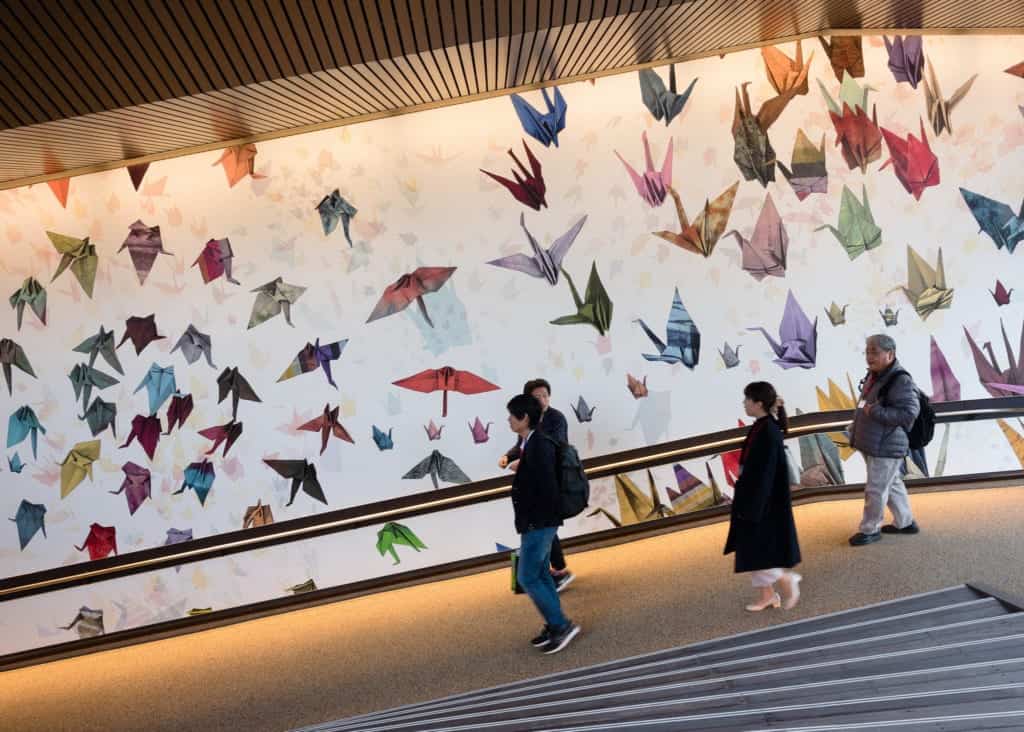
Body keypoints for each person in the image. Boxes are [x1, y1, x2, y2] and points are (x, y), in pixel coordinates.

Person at [507, 393, 580, 654]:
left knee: (527, 576)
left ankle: (561, 625)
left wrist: (537, 521)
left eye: (512, 415)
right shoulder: (530, 442)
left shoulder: (539, 444)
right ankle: (555, 622)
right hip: (537, 522)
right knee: (538, 574)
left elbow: (546, 486)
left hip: (539, 522)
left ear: (524, 417)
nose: (509, 420)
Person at [724, 382, 803, 611]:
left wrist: (755, 505)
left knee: (756, 549)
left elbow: (766, 472)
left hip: (761, 502)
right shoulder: (762, 426)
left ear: (758, 403)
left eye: (747, 399)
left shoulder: (768, 430)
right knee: (751, 549)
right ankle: (768, 595)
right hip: (755, 499)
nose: (744, 404)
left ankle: (785, 579)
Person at [499, 378, 575, 591]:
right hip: (533, 483)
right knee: (544, 527)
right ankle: (554, 571)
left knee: (545, 526)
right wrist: (508, 456)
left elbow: (552, 448)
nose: (542, 400)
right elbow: (521, 445)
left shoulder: (555, 419)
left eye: (545, 395)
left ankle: (558, 570)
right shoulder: (529, 422)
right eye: (537, 397)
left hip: (549, 480)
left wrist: (522, 463)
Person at [848, 334, 921, 546]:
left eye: (875, 352)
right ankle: (905, 522)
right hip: (874, 442)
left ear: (890, 354)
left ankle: (870, 529)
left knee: (876, 489)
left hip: (886, 444)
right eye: (868, 351)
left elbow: (909, 414)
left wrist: (876, 412)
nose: (869, 356)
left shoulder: (900, 379)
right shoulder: (876, 374)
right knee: (892, 482)